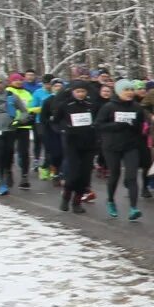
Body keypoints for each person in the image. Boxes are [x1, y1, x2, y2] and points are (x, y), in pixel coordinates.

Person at [96, 79, 150, 220]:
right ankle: (110, 201)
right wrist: (116, 125)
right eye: (126, 90)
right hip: (111, 147)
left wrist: (134, 127)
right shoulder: (108, 107)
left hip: (130, 146)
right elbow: (98, 125)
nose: (130, 93)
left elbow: (139, 128)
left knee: (132, 177)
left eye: (131, 90)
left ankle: (133, 208)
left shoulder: (137, 107)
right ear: (119, 92)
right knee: (115, 174)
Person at [45, 78, 99, 210]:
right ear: (73, 92)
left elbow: (98, 121)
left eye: (83, 91)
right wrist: (63, 130)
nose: (81, 94)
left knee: (85, 175)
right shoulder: (65, 105)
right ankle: (66, 198)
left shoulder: (91, 105)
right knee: (73, 174)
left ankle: (77, 202)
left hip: (88, 143)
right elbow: (54, 121)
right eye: (78, 91)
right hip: (71, 143)